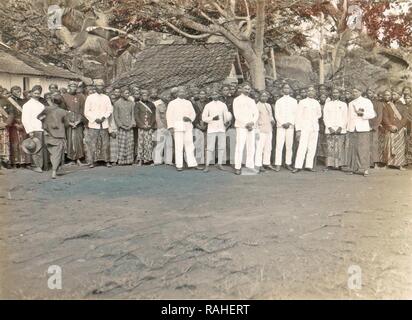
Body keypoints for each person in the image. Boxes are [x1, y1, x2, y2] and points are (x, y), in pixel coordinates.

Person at [166, 88, 200, 171]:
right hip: (177, 127)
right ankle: (179, 165)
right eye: (180, 91)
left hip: (188, 127)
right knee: (179, 146)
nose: (182, 92)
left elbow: (193, 113)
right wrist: (170, 127)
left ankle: (192, 163)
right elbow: (169, 115)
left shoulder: (188, 102)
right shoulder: (172, 103)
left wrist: (189, 118)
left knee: (190, 146)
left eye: (184, 91)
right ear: (177, 93)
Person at [346, 87, 376, 176]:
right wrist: (348, 128)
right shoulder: (351, 103)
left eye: (356, 91)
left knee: (363, 149)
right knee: (353, 149)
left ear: (360, 92)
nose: (354, 93)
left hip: (362, 128)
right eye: (353, 92)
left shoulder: (366, 101)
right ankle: (353, 168)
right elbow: (349, 117)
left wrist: (362, 114)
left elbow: (372, 114)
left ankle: (365, 169)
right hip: (352, 128)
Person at [37, 94, 69, 179]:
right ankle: (54, 171)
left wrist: (46, 123)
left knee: (52, 152)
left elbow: (38, 117)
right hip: (59, 135)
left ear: (52, 100)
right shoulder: (63, 111)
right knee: (57, 153)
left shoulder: (46, 109)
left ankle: (55, 168)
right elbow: (67, 124)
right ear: (61, 102)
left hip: (48, 133)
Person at [84, 79, 113, 168]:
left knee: (106, 143)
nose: (100, 87)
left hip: (104, 124)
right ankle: (91, 161)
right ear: (95, 87)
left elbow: (110, 109)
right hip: (93, 124)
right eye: (98, 86)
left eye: (101, 86)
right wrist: (94, 119)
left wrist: (104, 117)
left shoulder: (106, 97)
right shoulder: (90, 97)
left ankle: (107, 161)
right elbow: (86, 111)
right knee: (92, 143)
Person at [292, 86, 322, 173]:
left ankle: (309, 165)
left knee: (312, 147)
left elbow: (319, 114)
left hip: (314, 127)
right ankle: (298, 166)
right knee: (302, 147)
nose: (311, 92)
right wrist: (298, 130)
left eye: (312, 91)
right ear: (306, 92)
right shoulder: (302, 102)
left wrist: (314, 118)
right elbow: (298, 116)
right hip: (304, 127)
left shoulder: (317, 102)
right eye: (309, 91)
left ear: (315, 92)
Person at [202, 90, 232, 172]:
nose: (214, 95)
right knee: (210, 147)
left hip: (221, 128)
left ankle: (220, 164)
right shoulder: (208, 105)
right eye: (213, 94)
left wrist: (227, 122)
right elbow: (204, 118)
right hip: (211, 128)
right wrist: (212, 118)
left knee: (221, 146)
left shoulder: (223, 105)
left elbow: (227, 116)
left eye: (216, 94)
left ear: (219, 95)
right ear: (211, 95)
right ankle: (207, 165)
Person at [233, 83, 259, 175]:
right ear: (241, 89)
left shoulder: (252, 100)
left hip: (251, 126)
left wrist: (252, 122)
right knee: (240, 147)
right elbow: (236, 114)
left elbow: (256, 113)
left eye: (249, 89)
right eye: (245, 88)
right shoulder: (236, 100)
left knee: (251, 146)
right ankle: (237, 167)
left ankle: (250, 166)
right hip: (241, 126)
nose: (247, 90)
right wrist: (246, 124)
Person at [381, 90, 408, 170]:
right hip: (390, 128)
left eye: (395, 94)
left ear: (399, 95)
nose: (393, 95)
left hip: (399, 129)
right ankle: (387, 164)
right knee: (388, 147)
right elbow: (384, 117)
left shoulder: (403, 106)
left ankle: (400, 165)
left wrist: (398, 127)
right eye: (392, 94)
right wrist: (390, 126)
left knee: (399, 147)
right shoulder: (387, 106)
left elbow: (405, 119)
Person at [62, 81, 87, 165]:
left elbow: (83, 110)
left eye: (75, 86)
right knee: (70, 140)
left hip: (78, 122)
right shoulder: (64, 97)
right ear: (68, 86)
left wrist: (79, 121)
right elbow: (63, 110)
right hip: (68, 122)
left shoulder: (81, 97)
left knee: (78, 140)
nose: (73, 88)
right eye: (71, 86)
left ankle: (78, 159)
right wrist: (69, 122)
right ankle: (71, 159)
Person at [274, 83, 298, 172]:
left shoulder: (294, 101)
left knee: (289, 146)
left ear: (290, 90)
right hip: (281, 126)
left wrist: (289, 122)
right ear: (282, 89)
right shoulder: (279, 101)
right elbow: (277, 114)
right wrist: (283, 123)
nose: (286, 89)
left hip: (290, 126)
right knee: (279, 145)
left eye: (288, 88)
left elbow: (296, 114)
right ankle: (278, 164)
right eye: (285, 88)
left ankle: (288, 163)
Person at [21, 86, 46, 172]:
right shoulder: (27, 105)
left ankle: (42, 165)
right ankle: (36, 165)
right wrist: (30, 130)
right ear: (31, 93)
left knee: (42, 148)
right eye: (35, 93)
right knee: (35, 148)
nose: (36, 95)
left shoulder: (41, 105)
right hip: (34, 128)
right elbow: (25, 119)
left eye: (38, 93)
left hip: (41, 128)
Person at [322, 88, 348, 170]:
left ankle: (339, 165)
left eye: (337, 93)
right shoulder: (327, 104)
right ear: (331, 94)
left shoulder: (343, 104)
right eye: (334, 92)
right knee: (330, 147)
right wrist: (329, 127)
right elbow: (325, 117)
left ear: (339, 94)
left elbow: (345, 117)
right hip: (330, 129)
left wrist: (341, 127)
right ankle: (330, 165)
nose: (335, 94)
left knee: (340, 147)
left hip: (340, 129)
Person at [113, 87, 135, 165]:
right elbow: (116, 116)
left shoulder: (132, 103)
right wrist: (121, 125)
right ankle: (121, 160)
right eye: (126, 93)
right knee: (122, 144)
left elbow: (133, 115)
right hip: (122, 127)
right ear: (122, 94)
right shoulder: (117, 103)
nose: (127, 95)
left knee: (129, 143)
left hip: (129, 126)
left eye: (128, 93)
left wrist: (131, 124)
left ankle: (129, 160)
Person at [134, 89, 156, 165]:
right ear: (141, 96)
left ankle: (149, 159)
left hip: (149, 127)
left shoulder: (152, 105)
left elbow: (153, 116)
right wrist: (141, 125)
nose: (145, 96)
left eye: (146, 95)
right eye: (143, 94)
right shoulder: (137, 104)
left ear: (148, 95)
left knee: (149, 143)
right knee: (141, 143)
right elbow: (136, 116)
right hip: (141, 127)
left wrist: (150, 125)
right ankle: (140, 160)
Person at [255, 91, 276, 172]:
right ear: (259, 97)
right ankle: (258, 165)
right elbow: (255, 119)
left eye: (266, 96)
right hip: (260, 129)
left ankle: (266, 163)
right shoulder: (257, 106)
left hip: (269, 129)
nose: (265, 97)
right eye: (263, 96)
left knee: (268, 147)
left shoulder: (268, 105)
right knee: (260, 148)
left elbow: (271, 116)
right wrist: (256, 131)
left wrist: (272, 120)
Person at [152, 94, 173, 166]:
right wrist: (161, 127)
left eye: (169, 97)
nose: (167, 97)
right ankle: (157, 160)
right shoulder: (159, 105)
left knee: (169, 145)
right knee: (160, 144)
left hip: (169, 128)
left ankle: (168, 161)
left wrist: (170, 127)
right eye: (166, 96)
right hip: (161, 128)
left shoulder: (171, 105)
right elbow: (157, 117)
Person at [366, 88, 384, 169]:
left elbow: (380, 116)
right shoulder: (365, 103)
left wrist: (374, 126)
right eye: (368, 93)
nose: (369, 94)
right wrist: (367, 125)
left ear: (374, 93)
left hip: (375, 127)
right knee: (367, 145)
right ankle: (368, 163)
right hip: (366, 126)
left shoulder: (378, 103)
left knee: (375, 145)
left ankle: (375, 163)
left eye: (371, 92)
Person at [192, 89, 208, 165]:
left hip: (206, 125)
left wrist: (206, 125)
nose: (202, 96)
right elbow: (193, 115)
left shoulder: (208, 104)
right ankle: (198, 160)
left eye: (203, 94)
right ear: (198, 95)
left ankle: (206, 160)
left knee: (206, 144)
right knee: (197, 143)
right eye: (200, 94)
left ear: (206, 95)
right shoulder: (195, 104)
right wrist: (197, 125)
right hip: (197, 124)